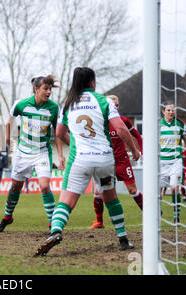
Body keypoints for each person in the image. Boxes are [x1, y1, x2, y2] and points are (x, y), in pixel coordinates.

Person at [34, 67, 140, 256]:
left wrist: (73, 144)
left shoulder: (68, 104)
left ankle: (55, 232)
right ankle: (123, 239)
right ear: (92, 82)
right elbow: (122, 129)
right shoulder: (104, 101)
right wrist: (134, 150)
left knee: (66, 202)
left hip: (80, 160)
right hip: (105, 160)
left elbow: (58, 133)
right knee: (111, 198)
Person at [0, 74, 64, 233]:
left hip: (42, 152)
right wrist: (9, 138)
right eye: (45, 89)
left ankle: (53, 224)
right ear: (36, 89)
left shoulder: (53, 108)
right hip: (23, 153)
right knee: (16, 187)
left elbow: (58, 133)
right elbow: (10, 118)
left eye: (50, 89)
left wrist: (60, 155)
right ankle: (7, 217)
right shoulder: (22, 104)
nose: (48, 92)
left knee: (45, 186)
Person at [88, 95, 144, 230]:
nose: (115, 107)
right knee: (98, 192)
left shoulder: (123, 121)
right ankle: (99, 222)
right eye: (113, 105)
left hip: (122, 161)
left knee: (133, 190)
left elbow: (137, 135)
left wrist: (142, 150)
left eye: (117, 105)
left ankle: (149, 215)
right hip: (106, 162)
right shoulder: (99, 122)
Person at [159, 102, 186, 224]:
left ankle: (176, 218)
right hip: (161, 163)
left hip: (176, 161)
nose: (171, 112)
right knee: (157, 191)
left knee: (174, 188)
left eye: (173, 110)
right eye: (168, 110)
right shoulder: (157, 125)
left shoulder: (180, 125)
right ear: (163, 111)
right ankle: (158, 211)